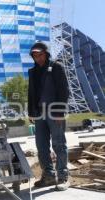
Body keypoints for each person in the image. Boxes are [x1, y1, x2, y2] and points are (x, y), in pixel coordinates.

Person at [28, 41, 70, 191]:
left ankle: (63, 176)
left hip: (54, 112)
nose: (38, 58)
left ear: (46, 53)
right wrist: (31, 112)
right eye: (35, 55)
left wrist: (60, 112)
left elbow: (63, 90)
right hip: (39, 114)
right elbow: (31, 93)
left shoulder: (56, 67)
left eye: (40, 54)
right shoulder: (32, 72)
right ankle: (49, 176)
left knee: (59, 144)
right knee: (41, 146)